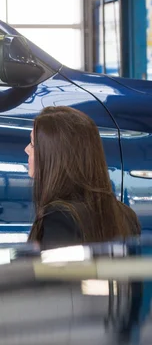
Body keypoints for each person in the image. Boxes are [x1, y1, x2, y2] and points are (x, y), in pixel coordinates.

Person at [24, 106, 140, 249]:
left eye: (33, 144)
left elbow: (53, 271)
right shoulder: (127, 216)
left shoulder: (59, 217)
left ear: (56, 156)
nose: (27, 149)